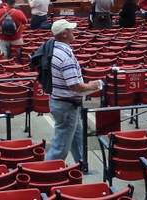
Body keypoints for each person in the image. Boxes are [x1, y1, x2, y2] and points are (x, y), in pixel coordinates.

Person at [32, 19, 102, 163]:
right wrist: (92, 86)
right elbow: (74, 86)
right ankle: (47, 173)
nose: (73, 31)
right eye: (70, 30)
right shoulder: (66, 57)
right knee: (60, 147)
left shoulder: (53, 49)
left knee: (77, 137)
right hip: (67, 106)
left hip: (62, 103)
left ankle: (81, 164)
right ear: (64, 34)